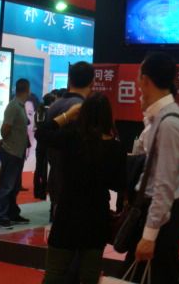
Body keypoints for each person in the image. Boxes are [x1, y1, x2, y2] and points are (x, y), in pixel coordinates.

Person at [43, 93, 126, 284]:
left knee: (55, 273)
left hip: (67, 212)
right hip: (96, 216)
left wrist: (67, 115)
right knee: (89, 276)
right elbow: (119, 184)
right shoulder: (116, 148)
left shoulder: (72, 138)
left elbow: (42, 133)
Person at [123, 52, 179, 284]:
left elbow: (164, 184)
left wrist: (150, 235)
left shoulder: (169, 122)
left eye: (139, 76)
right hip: (157, 212)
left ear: (145, 80)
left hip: (161, 217)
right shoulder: (162, 117)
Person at [39, 62, 94, 218]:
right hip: (74, 180)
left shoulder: (55, 105)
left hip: (56, 174)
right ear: (92, 82)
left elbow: (44, 135)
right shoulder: (81, 108)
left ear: (70, 80)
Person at [0, 78, 31, 229]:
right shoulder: (14, 106)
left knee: (14, 186)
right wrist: (6, 140)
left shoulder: (19, 106)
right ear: (27, 90)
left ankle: (12, 213)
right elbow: (5, 128)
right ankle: (2, 216)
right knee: (7, 186)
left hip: (17, 151)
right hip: (11, 151)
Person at [34, 93, 56, 201]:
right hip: (47, 142)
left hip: (39, 142)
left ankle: (37, 191)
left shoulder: (39, 111)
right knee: (45, 168)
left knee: (38, 167)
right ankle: (43, 191)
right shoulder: (51, 112)